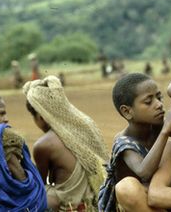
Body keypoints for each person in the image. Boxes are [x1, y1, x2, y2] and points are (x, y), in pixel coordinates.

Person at [23, 75, 109, 211]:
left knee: (37, 194)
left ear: (40, 116)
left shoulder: (44, 145)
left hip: (73, 206)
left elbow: (39, 183)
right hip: (100, 201)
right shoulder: (85, 125)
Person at [98, 72, 171, 212]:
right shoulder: (123, 142)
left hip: (157, 197)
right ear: (127, 112)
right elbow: (144, 172)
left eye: (159, 97)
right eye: (148, 102)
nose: (159, 105)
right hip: (134, 203)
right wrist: (166, 131)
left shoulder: (158, 127)